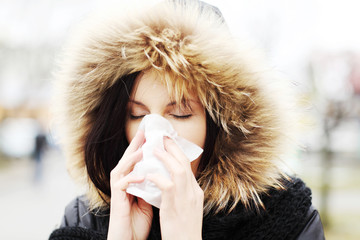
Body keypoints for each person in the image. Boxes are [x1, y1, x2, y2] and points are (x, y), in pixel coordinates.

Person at [49, 0, 325, 239]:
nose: (153, 134)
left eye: (180, 113)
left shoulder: (286, 217)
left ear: (221, 126)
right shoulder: (83, 219)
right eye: (137, 115)